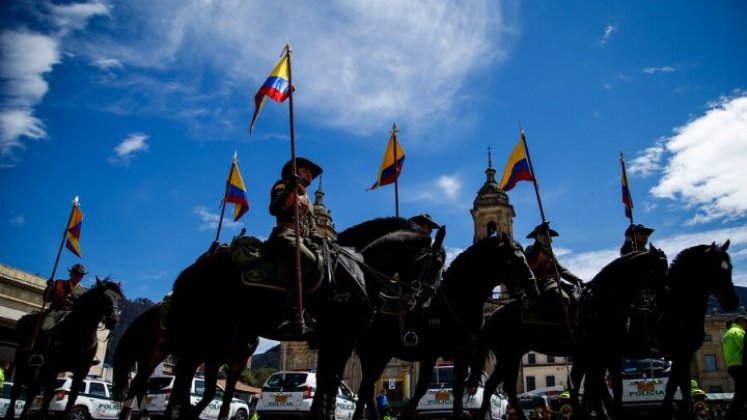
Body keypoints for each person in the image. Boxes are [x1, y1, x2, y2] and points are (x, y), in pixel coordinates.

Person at [266, 157, 324, 337]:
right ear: (295, 171)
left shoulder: (307, 199)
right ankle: (292, 314)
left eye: (311, 174)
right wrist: (290, 188)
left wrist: (321, 241)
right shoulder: (282, 186)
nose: (310, 175)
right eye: (306, 171)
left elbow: (313, 228)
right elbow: (275, 209)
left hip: (304, 239)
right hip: (285, 235)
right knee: (309, 261)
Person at [525, 222, 583, 287]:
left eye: (549, 237)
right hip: (540, 285)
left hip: (555, 283)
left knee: (573, 291)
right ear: (539, 237)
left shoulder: (551, 254)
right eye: (546, 236)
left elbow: (561, 270)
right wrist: (539, 238)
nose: (550, 240)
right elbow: (532, 258)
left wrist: (576, 280)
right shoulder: (530, 250)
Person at [41, 263, 88, 332]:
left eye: (79, 275)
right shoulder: (59, 283)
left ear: (82, 277)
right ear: (71, 274)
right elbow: (46, 299)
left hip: (71, 316)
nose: (77, 277)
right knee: (45, 328)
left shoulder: (84, 292)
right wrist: (49, 288)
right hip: (55, 313)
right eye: (75, 274)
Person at [723, 315, 747, 420]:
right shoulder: (738, 331)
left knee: (741, 393)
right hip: (741, 365)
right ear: (741, 321)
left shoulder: (727, 333)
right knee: (741, 394)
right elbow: (744, 347)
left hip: (732, 366)